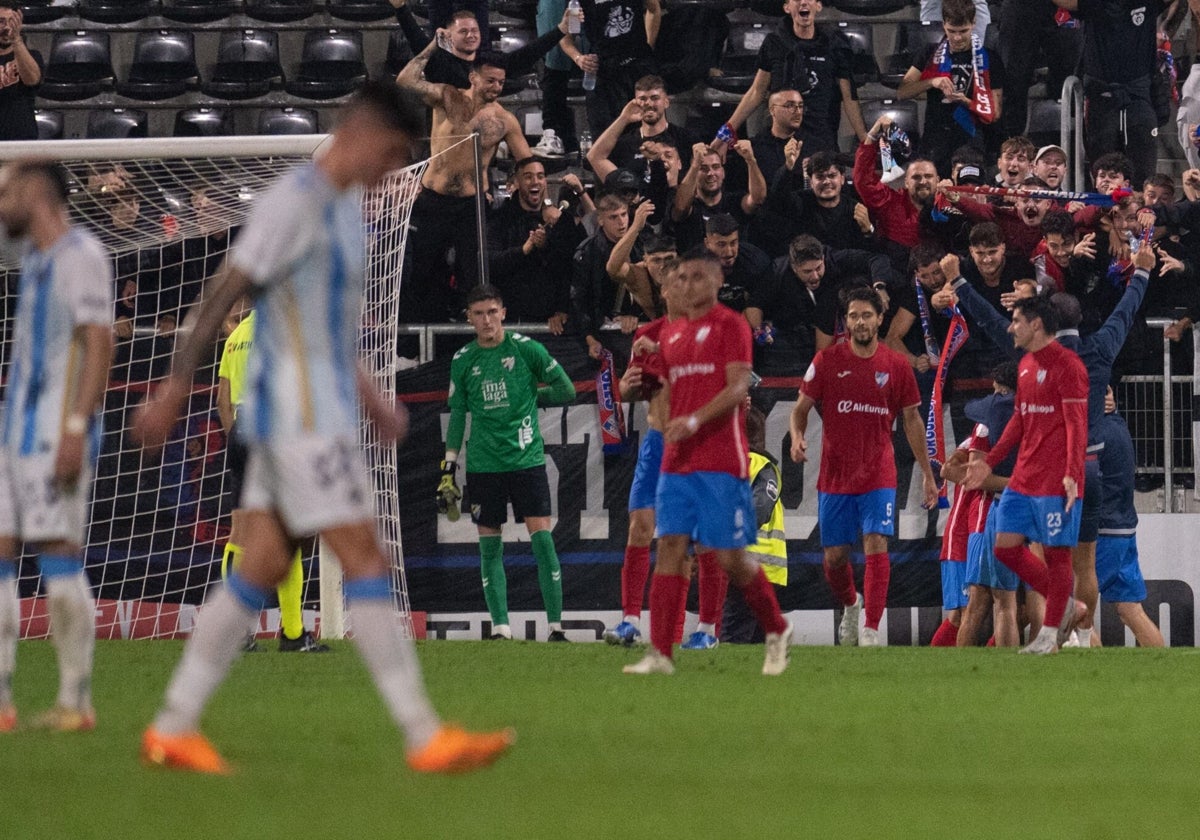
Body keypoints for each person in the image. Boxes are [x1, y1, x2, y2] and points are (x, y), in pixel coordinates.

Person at [133, 82, 514, 774]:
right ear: (362, 132)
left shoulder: (346, 215)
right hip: (297, 417)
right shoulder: (295, 201)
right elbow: (225, 289)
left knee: (262, 565)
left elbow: (326, 325)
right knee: (366, 558)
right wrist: (173, 388)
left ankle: (172, 725)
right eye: (392, 154)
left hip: (321, 413)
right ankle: (423, 735)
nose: (388, 172)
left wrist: (369, 396)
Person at [623, 248, 793, 675]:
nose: (687, 284)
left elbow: (738, 389)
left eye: (697, 277)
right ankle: (661, 653)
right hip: (676, 460)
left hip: (720, 458)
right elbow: (653, 388)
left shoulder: (731, 326)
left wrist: (694, 419)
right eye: (681, 278)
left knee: (728, 557)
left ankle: (776, 629)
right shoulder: (673, 335)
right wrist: (632, 386)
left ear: (717, 282)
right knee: (670, 547)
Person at [0, 160, 114, 732]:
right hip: (11, 432)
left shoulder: (82, 257)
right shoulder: (36, 259)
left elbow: (100, 344)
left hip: (54, 435)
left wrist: (76, 427)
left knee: (58, 561)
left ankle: (76, 701)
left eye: (7, 189)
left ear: (34, 194)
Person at [790, 286, 939, 646]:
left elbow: (912, 420)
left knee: (876, 544)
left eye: (866, 315)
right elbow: (799, 410)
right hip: (836, 475)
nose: (860, 322)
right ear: (846, 322)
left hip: (878, 473)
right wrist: (796, 436)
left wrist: (928, 476)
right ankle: (850, 604)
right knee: (835, 557)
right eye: (854, 316)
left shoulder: (895, 365)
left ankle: (872, 629)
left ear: (879, 319)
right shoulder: (827, 362)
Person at [440, 285, 577, 641]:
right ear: (469, 318)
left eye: (492, 312)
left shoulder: (527, 349)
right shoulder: (463, 360)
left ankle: (556, 627)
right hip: (484, 465)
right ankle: (501, 629)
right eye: (478, 314)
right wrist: (448, 464)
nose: (486, 320)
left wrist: (533, 395)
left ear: (503, 312)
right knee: (490, 547)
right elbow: (457, 415)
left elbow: (567, 390)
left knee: (543, 542)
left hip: (526, 461)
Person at [963, 294, 1089, 655]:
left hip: (1055, 480)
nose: (1010, 327)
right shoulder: (1025, 365)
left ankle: (1049, 635)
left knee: (1058, 554)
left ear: (1036, 324)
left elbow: (1076, 426)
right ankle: (1062, 603)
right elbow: (1020, 421)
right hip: (1022, 478)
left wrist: (1071, 474)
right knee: (1004, 550)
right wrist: (990, 460)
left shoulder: (1069, 367)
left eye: (1016, 320)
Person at [216, 302, 328, 653]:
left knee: (240, 534)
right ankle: (293, 634)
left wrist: (237, 439)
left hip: (241, 431)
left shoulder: (236, 336)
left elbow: (222, 397)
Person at [397, 49, 533, 322]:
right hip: (433, 199)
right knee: (421, 272)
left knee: (473, 276)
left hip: (471, 206)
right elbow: (404, 81)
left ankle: (471, 336)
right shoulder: (447, 96)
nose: (496, 87)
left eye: (501, 82)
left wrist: (536, 195)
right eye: (490, 80)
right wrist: (431, 47)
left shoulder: (504, 120)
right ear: (473, 77)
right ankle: (416, 344)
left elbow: (527, 162)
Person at [603, 257, 682, 646]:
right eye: (671, 285)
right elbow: (630, 392)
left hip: (694, 447)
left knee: (682, 542)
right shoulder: (648, 333)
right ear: (663, 292)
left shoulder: (708, 336)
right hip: (655, 442)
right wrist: (629, 384)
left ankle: (683, 631)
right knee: (639, 527)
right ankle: (630, 620)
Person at [720, 0, 866, 154]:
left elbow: (850, 97)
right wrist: (725, 133)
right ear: (787, 7)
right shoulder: (774, 43)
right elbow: (757, 92)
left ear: (818, 6)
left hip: (821, 140)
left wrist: (864, 140)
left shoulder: (835, 45)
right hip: (781, 140)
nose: (803, 2)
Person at [1089, 386, 1164, 647]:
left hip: (1103, 532)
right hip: (1124, 529)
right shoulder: (1118, 424)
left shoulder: (1095, 435)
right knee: (1130, 609)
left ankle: (1093, 682)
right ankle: (1163, 671)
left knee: (1077, 611)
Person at [897, 0, 1004, 175]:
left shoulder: (990, 58)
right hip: (935, 141)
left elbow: (995, 113)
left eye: (963, 31)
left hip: (972, 140)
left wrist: (966, 101)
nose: (957, 38)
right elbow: (902, 92)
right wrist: (932, 82)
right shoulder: (930, 53)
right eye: (951, 31)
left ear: (973, 23)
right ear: (943, 24)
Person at [486, 158, 586, 332]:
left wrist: (562, 309)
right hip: (508, 322)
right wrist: (523, 251)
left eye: (540, 176)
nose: (535, 182)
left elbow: (569, 269)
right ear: (516, 182)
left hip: (551, 323)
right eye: (528, 176)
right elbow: (490, 263)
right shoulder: (499, 219)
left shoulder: (561, 221)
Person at [720, 404, 788, 644]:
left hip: (746, 565)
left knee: (733, 639)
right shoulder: (765, 468)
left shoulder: (749, 464)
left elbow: (758, 509)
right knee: (758, 644)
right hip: (769, 570)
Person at [557, 0, 662, 138]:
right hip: (604, 73)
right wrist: (579, 59)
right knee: (605, 137)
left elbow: (654, 9)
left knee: (650, 136)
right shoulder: (578, 2)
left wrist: (648, 46)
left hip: (638, 68)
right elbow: (566, 38)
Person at [586, 76, 701, 184]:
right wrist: (624, 118)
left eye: (655, 98)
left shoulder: (687, 139)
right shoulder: (625, 144)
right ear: (635, 102)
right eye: (642, 99)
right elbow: (594, 157)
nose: (649, 104)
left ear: (666, 102)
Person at [0, 3, 41, 141]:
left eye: (12, 22)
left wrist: (16, 40)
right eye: (1, 21)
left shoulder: (32, 56)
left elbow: (32, 80)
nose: (7, 27)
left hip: (22, 141)